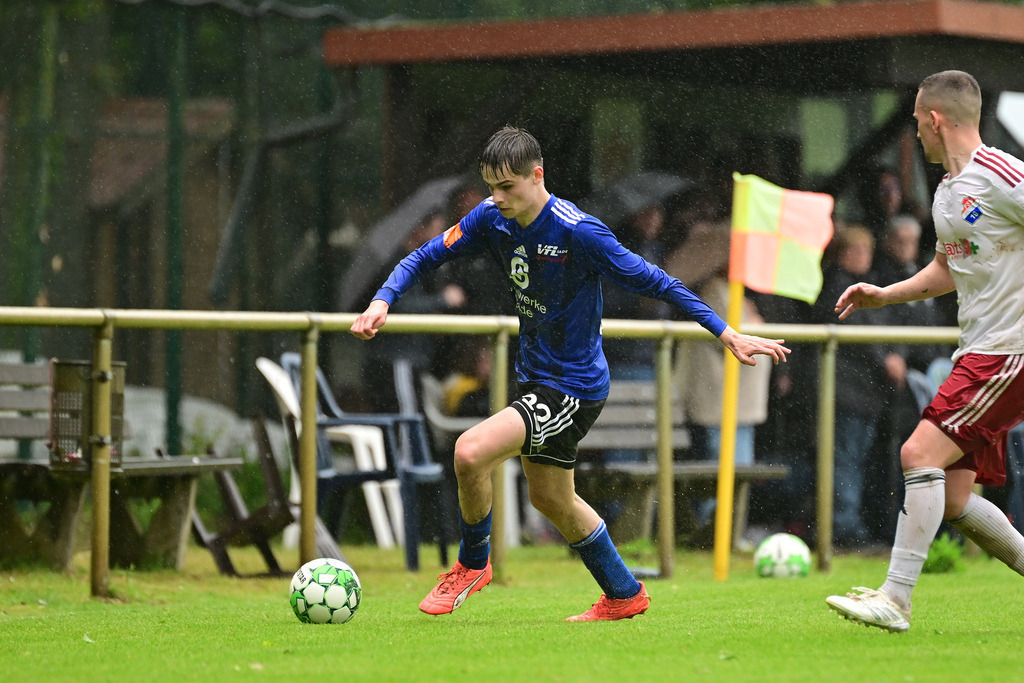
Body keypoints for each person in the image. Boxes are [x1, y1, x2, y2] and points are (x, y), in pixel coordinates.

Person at [351, 126, 790, 621]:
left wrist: (725, 332)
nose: (497, 198)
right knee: (552, 497)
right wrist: (383, 298)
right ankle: (624, 593)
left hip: (573, 387)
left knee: (469, 452)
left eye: (507, 187)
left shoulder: (579, 232)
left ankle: (473, 565)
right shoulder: (492, 218)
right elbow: (425, 254)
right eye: (491, 187)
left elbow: (659, 280)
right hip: (537, 379)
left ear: (537, 176)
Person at [826, 70, 1024, 632]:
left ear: (935, 119)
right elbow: (946, 270)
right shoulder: (946, 193)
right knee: (956, 499)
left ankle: (895, 599)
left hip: (1007, 353)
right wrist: (883, 294)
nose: (915, 132)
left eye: (916, 121)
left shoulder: (1004, 175)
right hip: (979, 352)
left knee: (917, 455)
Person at [813, 225, 904, 548]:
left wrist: (892, 356)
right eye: (858, 250)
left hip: (864, 394)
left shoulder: (866, 286)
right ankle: (844, 529)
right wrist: (885, 360)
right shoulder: (836, 287)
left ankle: (853, 525)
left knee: (856, 459)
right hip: (847, 392)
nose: (864, 257)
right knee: (846, 459)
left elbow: (885, 327)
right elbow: (859, 334)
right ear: (844, 254)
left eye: (867, 250)